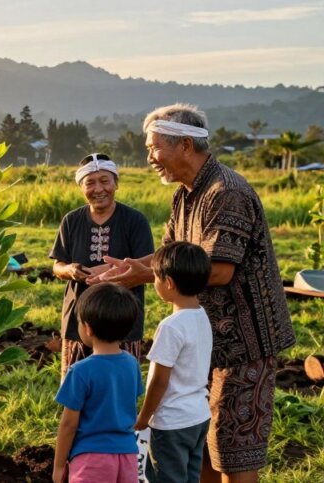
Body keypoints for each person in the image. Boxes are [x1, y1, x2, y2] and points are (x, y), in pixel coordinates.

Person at [89, 103, 295, 482]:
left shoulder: (225, 191)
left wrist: (144, 276)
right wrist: (133, 266)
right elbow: (171, 254)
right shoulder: (185, 193)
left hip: (245, 345)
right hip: (207, 340)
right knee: (203, 444)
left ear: (185, 145)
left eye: (154, 148)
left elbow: (217, 269)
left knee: (234, 452)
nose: (149, 158)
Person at [50, 153, 154, 377]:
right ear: (81, 187)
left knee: (118, 387)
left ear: (116, 183)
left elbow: (146, 263)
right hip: (78, 319)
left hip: (122, 318)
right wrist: (70, 270)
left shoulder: (135, 221)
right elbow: (57, 266)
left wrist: (105, 272)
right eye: (90, 183)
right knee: (77, 385)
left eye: (105, 181)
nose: (98, 189)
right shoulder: (71, 220)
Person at [135, 242, 213, 483]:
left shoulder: (170, 326)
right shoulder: (202, 316)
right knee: (191, 477)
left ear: (168, 283)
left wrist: (143, 418)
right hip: (199, 416)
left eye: (156, 277)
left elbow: (159, 380)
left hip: (171, 423)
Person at [53, 283, 144, 483]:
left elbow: (68, 424)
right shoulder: (131, 363)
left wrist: (59, 465)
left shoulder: (80, 370)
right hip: (128, 456)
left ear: (88, 328)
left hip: (91, 459)